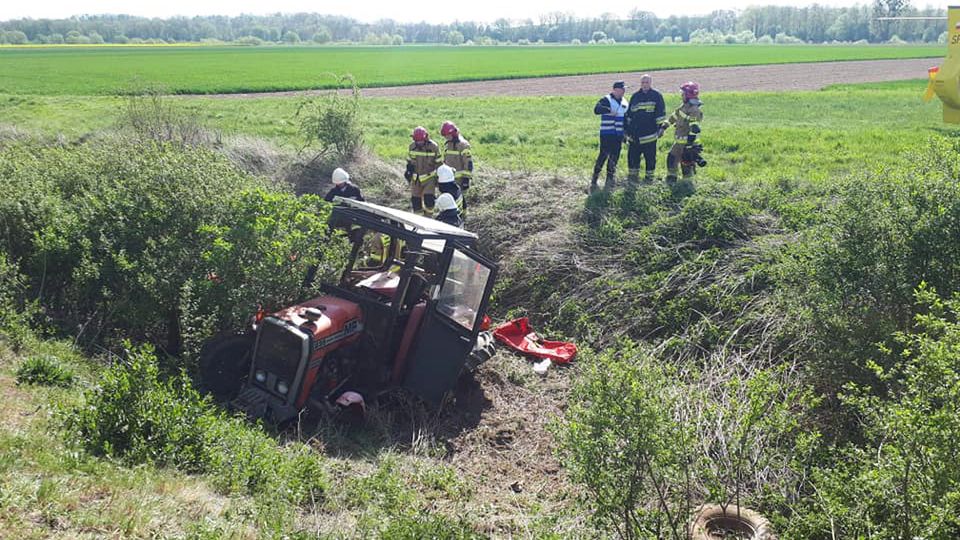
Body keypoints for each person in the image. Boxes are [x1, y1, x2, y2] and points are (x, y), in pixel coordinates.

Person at [624, 74, 666, 183]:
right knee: (633, 158)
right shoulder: (635, 96)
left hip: (650, 135)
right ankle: (633, 179)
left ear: (650, 83)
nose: (644, 84)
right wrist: (626, 131)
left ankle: (649, 180)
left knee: (650, 159)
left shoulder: (656, 96)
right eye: (643, 82)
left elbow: (660, 113)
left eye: (646, 82)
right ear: (640, 83)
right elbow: (629, 115)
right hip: (635, 136)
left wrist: (661, 128)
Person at [591, 81, 628, 191]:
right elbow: (596, 110)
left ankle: (609, 180)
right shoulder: (606, 99)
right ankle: (594, 179)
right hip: (607, 134)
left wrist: (625, 133)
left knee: (614, 158)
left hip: (618, 134)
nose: (624, 91)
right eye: (622, 89)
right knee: (603, 156)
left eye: (624, 89)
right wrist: (609, 110)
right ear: (615, 90)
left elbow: (625, 118)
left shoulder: (625, 101)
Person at [665, 81, 704, 182]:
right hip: (679, 142)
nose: (681, 95)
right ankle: (672, 179)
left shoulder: (693, 109)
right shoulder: (684, 106)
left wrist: (690, 143)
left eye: (683, 93)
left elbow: (694, 127)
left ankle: (687, 184)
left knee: (686, 163)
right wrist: (664, 126)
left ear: (688, 95)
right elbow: (675, 116)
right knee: (672, 159)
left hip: (687, 143)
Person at [405, 126, 443, 216]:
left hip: (429, 178)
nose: (419, 143)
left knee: (429, 199)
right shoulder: (412, 147)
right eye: (417, 141)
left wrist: (440, 178)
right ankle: (418, 219)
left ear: (426, 138)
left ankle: (429, 217)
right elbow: (410, 161)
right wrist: (408, 170)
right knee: (415, 200)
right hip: (416, 179)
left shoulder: (434, 147)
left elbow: (439, 163)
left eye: (421, 141)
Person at [440, 121, 473, 217]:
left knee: (460, 198)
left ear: (453, 133)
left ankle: (462, 216)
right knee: (450, 198)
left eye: (447, 135)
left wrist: (466, 179)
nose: (446, 138)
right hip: (449, 179)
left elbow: (468, 163)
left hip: (460, 179)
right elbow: (446, 160)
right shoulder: (448, 144)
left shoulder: (463, 145)